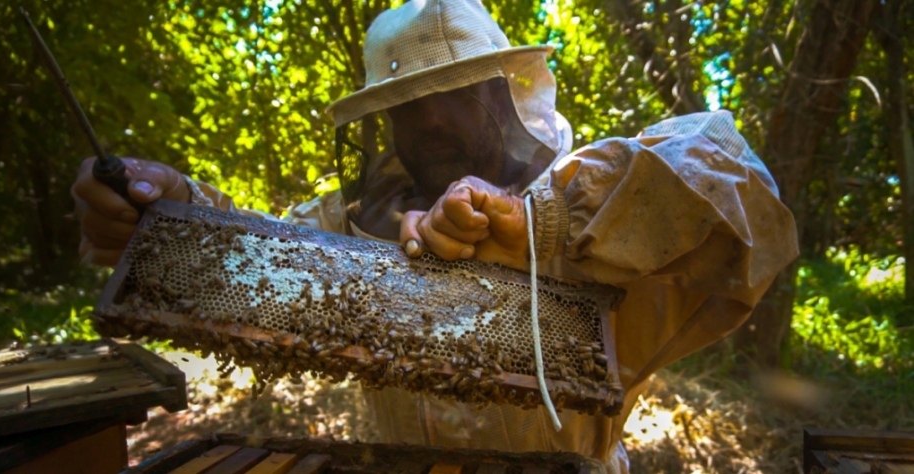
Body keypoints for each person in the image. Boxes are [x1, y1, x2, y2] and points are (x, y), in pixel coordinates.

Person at [71, 0, 798, 471]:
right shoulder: (344, 228)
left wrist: (540, 230)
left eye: (454, 93)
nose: (432, 122)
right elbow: (244, 252)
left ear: (503, 93)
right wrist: (165, 216)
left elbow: (738, 189)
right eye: (407, 106)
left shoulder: (595, 210)